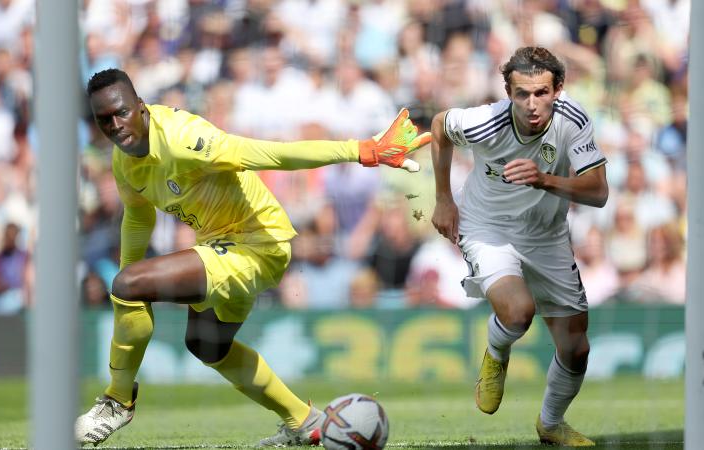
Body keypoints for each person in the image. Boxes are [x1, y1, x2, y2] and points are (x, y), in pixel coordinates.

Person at [75, 68, 430, 447]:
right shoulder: (124, 161)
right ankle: (304, 421)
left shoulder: (184, 138)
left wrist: (359, 150)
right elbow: (138, 215)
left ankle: (117, 401)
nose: (115, 125)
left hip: (258, 244)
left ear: (141, 108)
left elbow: (269, 153)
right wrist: (129, 275)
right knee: (207, 346)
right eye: (104, 119)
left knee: (129, 286)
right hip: (221, 248)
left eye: (121, 112)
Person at [430, 47, 608, 447]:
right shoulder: (485, 123)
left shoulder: (573, 121)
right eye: (522, 93)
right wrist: (443, 198)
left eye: (541, 93)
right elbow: (440, 126)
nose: (532, 104)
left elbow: (598, 192)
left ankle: (551, 424)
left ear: (558, 89)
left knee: (576, 348)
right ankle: (496, 352)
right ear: (507, 91)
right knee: (518, 311)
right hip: (487, 227)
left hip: (546, 234)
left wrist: (545, 180)